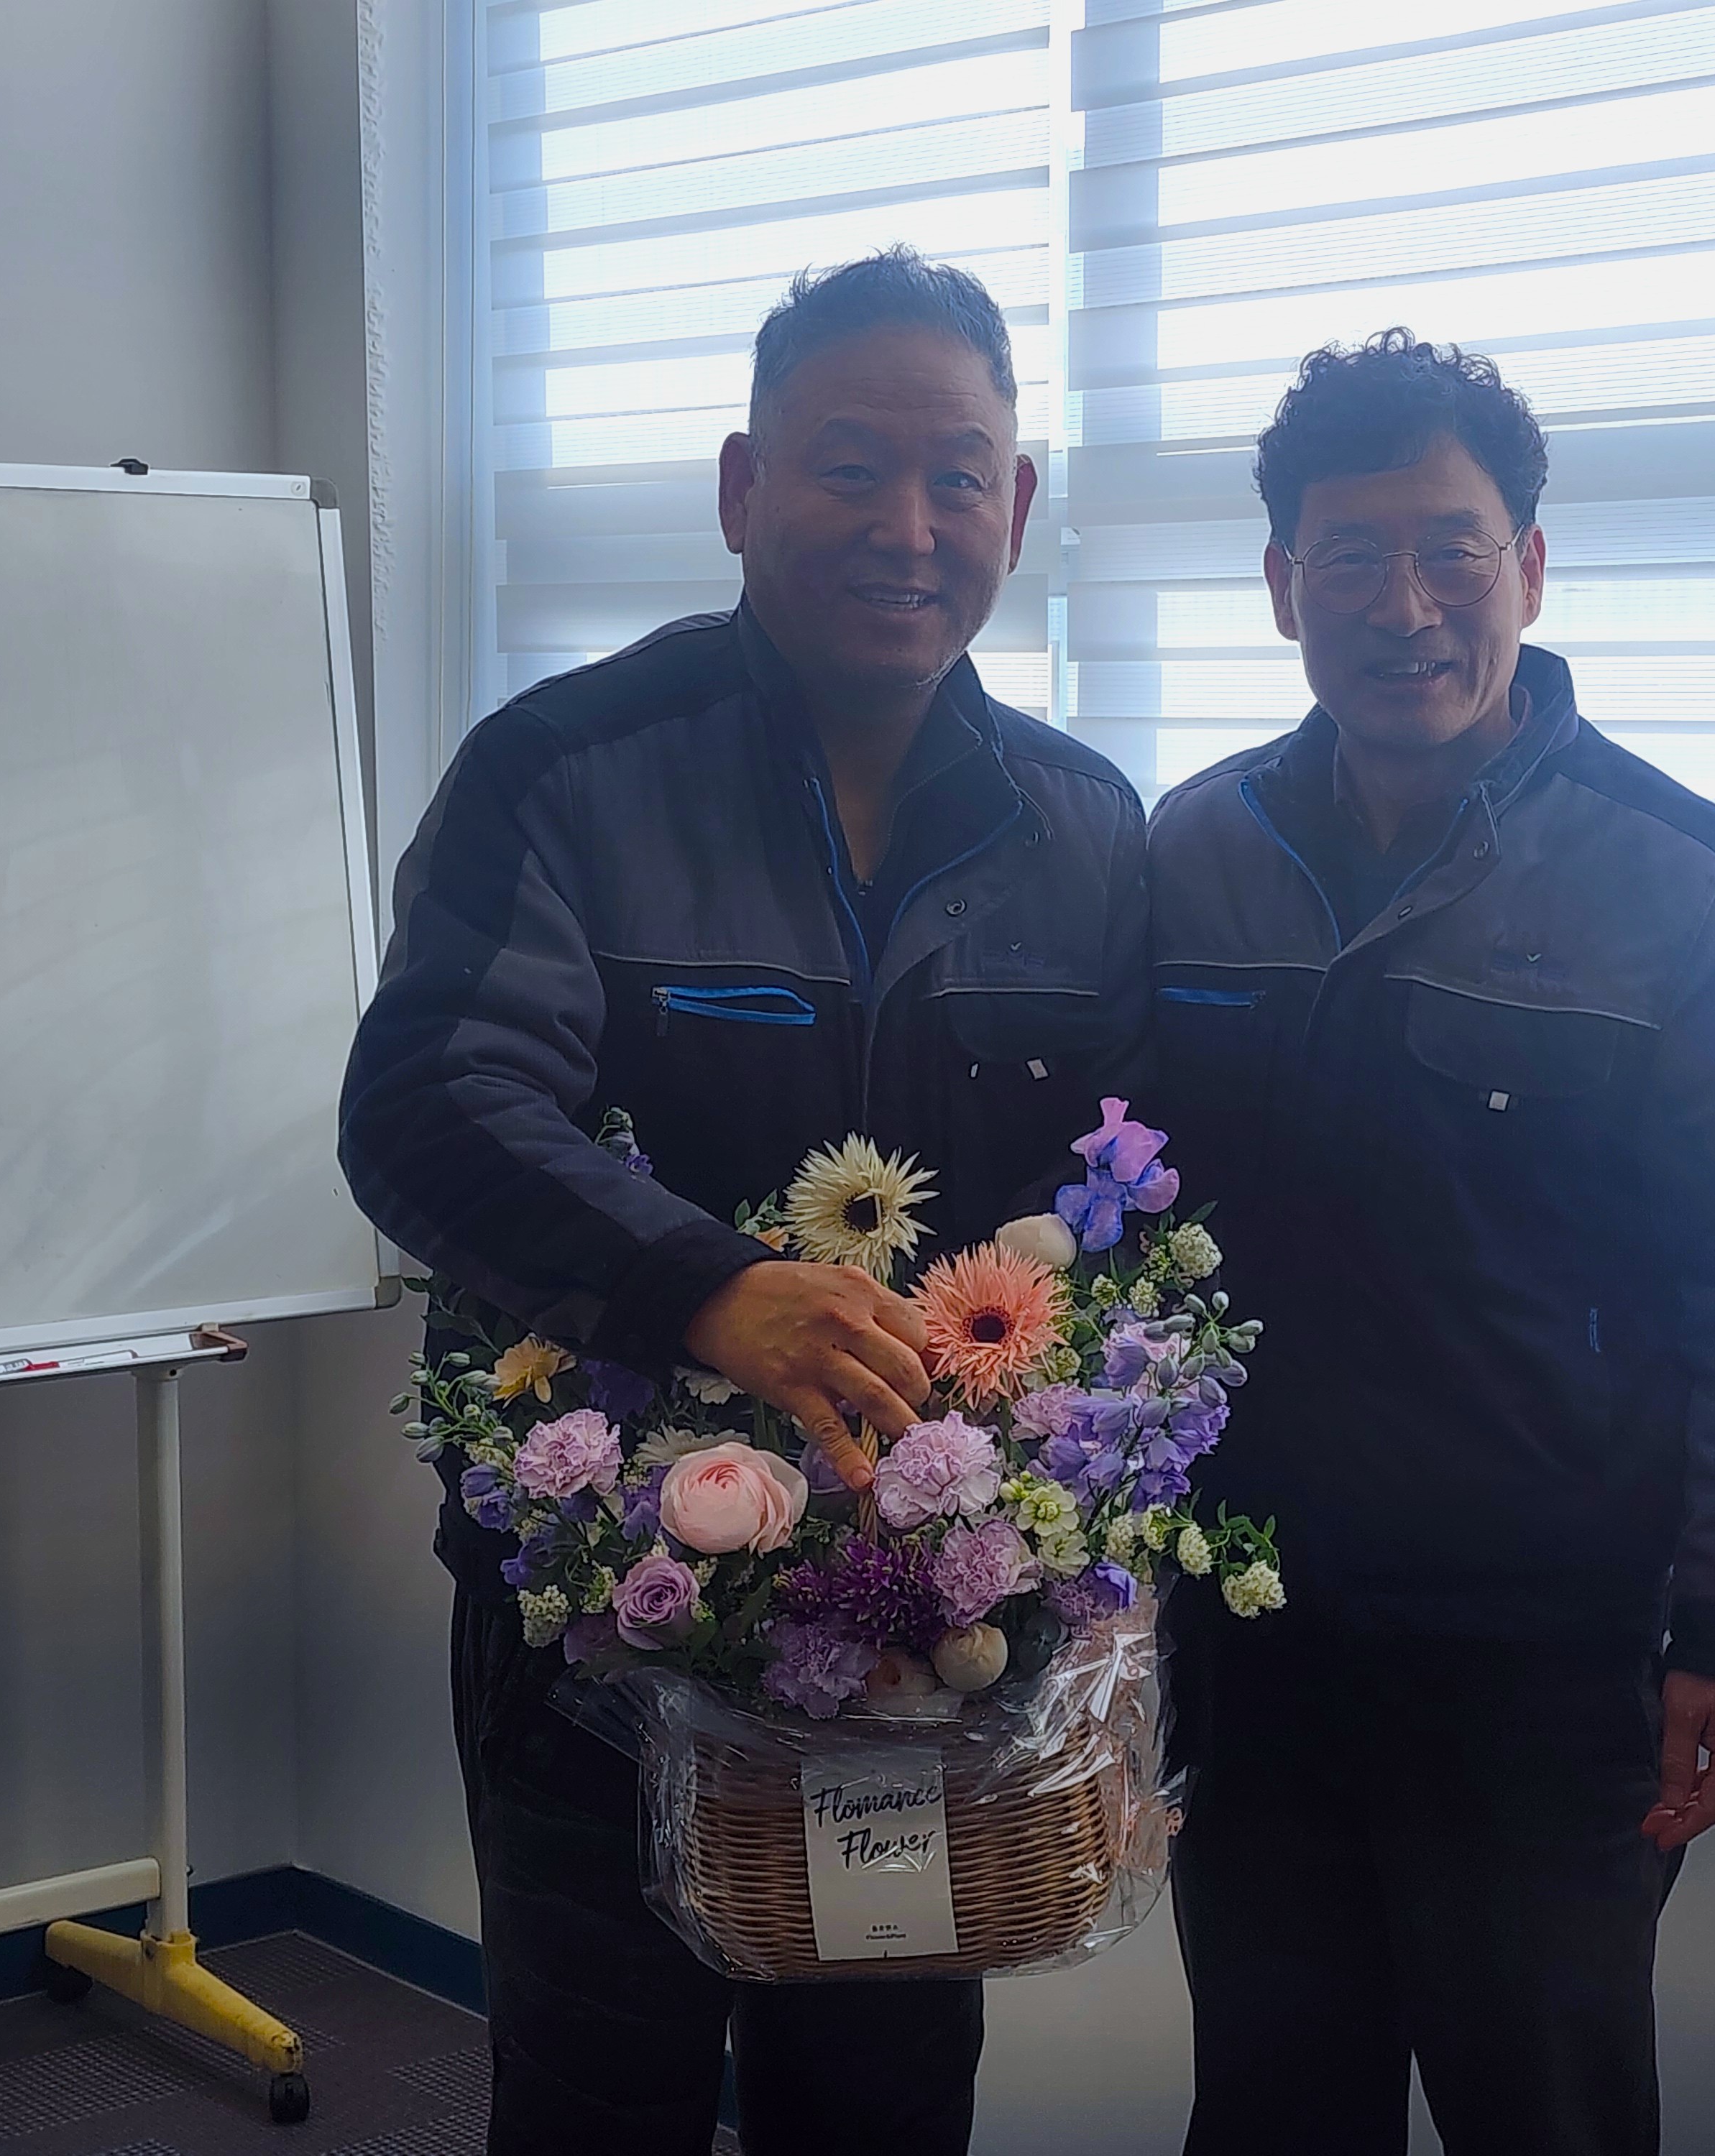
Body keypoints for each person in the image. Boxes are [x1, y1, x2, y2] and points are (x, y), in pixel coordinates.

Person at [337, 249, 1149, 2156]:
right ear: (740, 487)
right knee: (596, 2092)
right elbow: (429, 1105)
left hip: (935, 1621)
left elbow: (1109, 1201)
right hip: (604, 1619)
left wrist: (1089, 1542)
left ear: (1019, 505)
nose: (906, 525)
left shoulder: (1084, 826)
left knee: (882, 2098)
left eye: (956, 477)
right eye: (847, 469)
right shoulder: (564, 771)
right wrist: (705, 1289)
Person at [1147, 332, 1715, 2155]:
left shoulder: (1690, 877)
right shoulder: (1191, 852)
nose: (1402, 608)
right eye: (1347, 557)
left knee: (1545, 2114)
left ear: (1527, 568)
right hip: (1252, 1641)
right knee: (1267, 2111)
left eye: (1448, 551)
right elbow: (1121, 1227)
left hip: (1547, 1662)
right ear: (1279, 586)